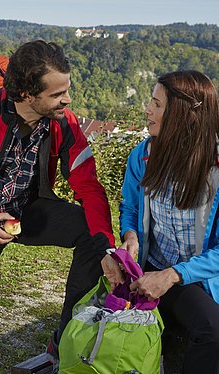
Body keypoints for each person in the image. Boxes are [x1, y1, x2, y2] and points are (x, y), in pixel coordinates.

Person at [0, 40, 122, 374]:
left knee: (92, 233)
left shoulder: (64, 122)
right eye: (58, 94)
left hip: (27, 210)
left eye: (67, 90)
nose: (67, 100)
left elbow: (88, 186)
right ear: (28, 94)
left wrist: (106, 247)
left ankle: (65, 339)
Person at [119, 70, 219, 373]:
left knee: (213, 335)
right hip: (151, 271)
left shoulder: (215, 166)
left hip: (196, 279)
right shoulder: (143, 155)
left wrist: (174, 275)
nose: (148, 110)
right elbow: (130, 208)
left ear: (185, 115)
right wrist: (130, 236)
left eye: (157, 104)